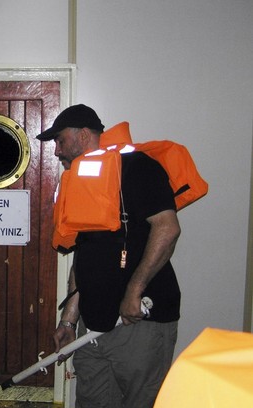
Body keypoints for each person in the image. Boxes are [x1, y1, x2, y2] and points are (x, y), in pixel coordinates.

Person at [37, 104, 181, 408]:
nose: (56, 151)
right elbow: (84, 253)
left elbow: (167, 230)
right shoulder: (83, 183)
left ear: (84, 135)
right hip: (94, 326)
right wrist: (69, 319)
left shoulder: (138, 168)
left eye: (60, 141)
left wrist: (134, 290)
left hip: (137, 322)